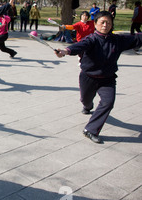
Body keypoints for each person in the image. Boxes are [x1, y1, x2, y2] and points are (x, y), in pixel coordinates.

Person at [54, 11, 142, 144]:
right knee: (86, 100)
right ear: (95, 24)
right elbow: (79, 46)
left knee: (108, 102)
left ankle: (91, 130)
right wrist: (65, 51)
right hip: (88, 77)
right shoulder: (91, 39)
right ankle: (87, 106)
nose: (105, 25)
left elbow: (136, 38)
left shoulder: (117, 40)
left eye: (108, 23)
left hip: (108, 79)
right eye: (102, 22)